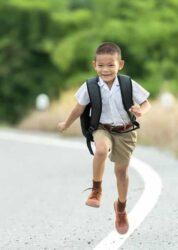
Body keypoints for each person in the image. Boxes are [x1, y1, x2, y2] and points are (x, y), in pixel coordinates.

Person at [57, 42, 151, 234]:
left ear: (120, 64)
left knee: (121, 172)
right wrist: (66, 123)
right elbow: (79, 108)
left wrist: (140, 110)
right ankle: (96, 190)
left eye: (110, 65)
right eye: (101, 65)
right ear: (94, 65)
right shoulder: (90, 86)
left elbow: (146, 103)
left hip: (125, 131)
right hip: (102, 128)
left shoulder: (127, 83)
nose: (105, 69)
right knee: (100, 149)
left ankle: (121, 209)